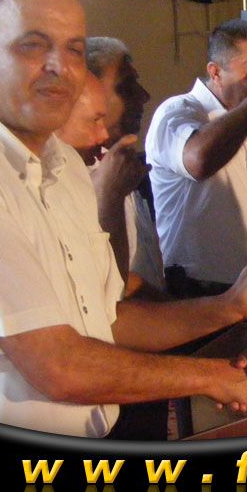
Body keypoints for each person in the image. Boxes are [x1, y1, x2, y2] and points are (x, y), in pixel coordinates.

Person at [0, 0, 247, 438]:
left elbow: (107, 320)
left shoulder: (65, 166)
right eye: (33, 45)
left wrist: (231, 305)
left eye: (73, 49)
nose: (59, 66)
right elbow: (58, 365)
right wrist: (215, 376)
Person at [145, 19, 247, 295]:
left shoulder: (243, 119)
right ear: (215, 72)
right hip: (199, 287)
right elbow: (198, 161)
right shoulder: (178, 111)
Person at [86, 36, 165, 297]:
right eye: (126, 87)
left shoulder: (115, 160)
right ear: (89, 93)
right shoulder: (69, 176)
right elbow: (107, 286)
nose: (144, 96)